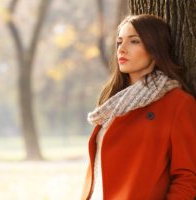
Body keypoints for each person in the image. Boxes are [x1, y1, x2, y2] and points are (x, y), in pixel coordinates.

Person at [81, 14, 196, 200]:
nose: (122, 49)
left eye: (134, 41)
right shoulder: (112, 104)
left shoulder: (178, 103)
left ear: (155, 49)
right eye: (119, 42)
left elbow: (187, 177)